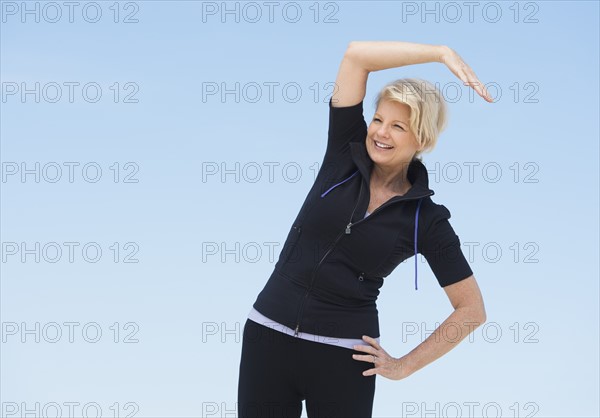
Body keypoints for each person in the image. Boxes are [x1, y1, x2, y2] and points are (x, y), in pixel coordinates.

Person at [237, 41, 490, 418]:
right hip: (267, 336)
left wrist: (403, 366)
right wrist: (440, 53)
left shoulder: (427, 219)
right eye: (378, 120)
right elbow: (356, 56)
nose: (381, 133)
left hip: (343, 357)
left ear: (421, 140)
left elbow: (471, 310)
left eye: (398, 126)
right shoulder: (344, 151)